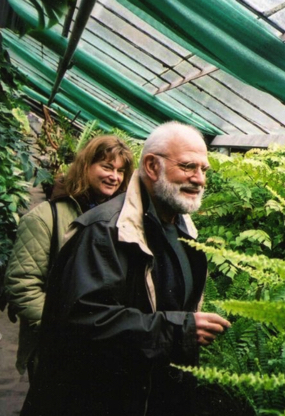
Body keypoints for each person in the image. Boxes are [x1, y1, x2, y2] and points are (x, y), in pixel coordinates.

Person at [20, 121, 231, 416]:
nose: (199, 179)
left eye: (204, 169)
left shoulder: (180, 227)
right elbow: (83, 322)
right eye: (187, 167)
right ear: (152, 165)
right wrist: (177, 330)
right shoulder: (103, 231)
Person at [4, 135, 134, 381]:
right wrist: (61, 330)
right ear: (85, 166)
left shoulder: (122, 221)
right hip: (57, 345)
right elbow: (23, 284)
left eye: (120, 171)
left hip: (103, 345)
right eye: (106, 167)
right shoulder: (45, 218)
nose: (114, 177)